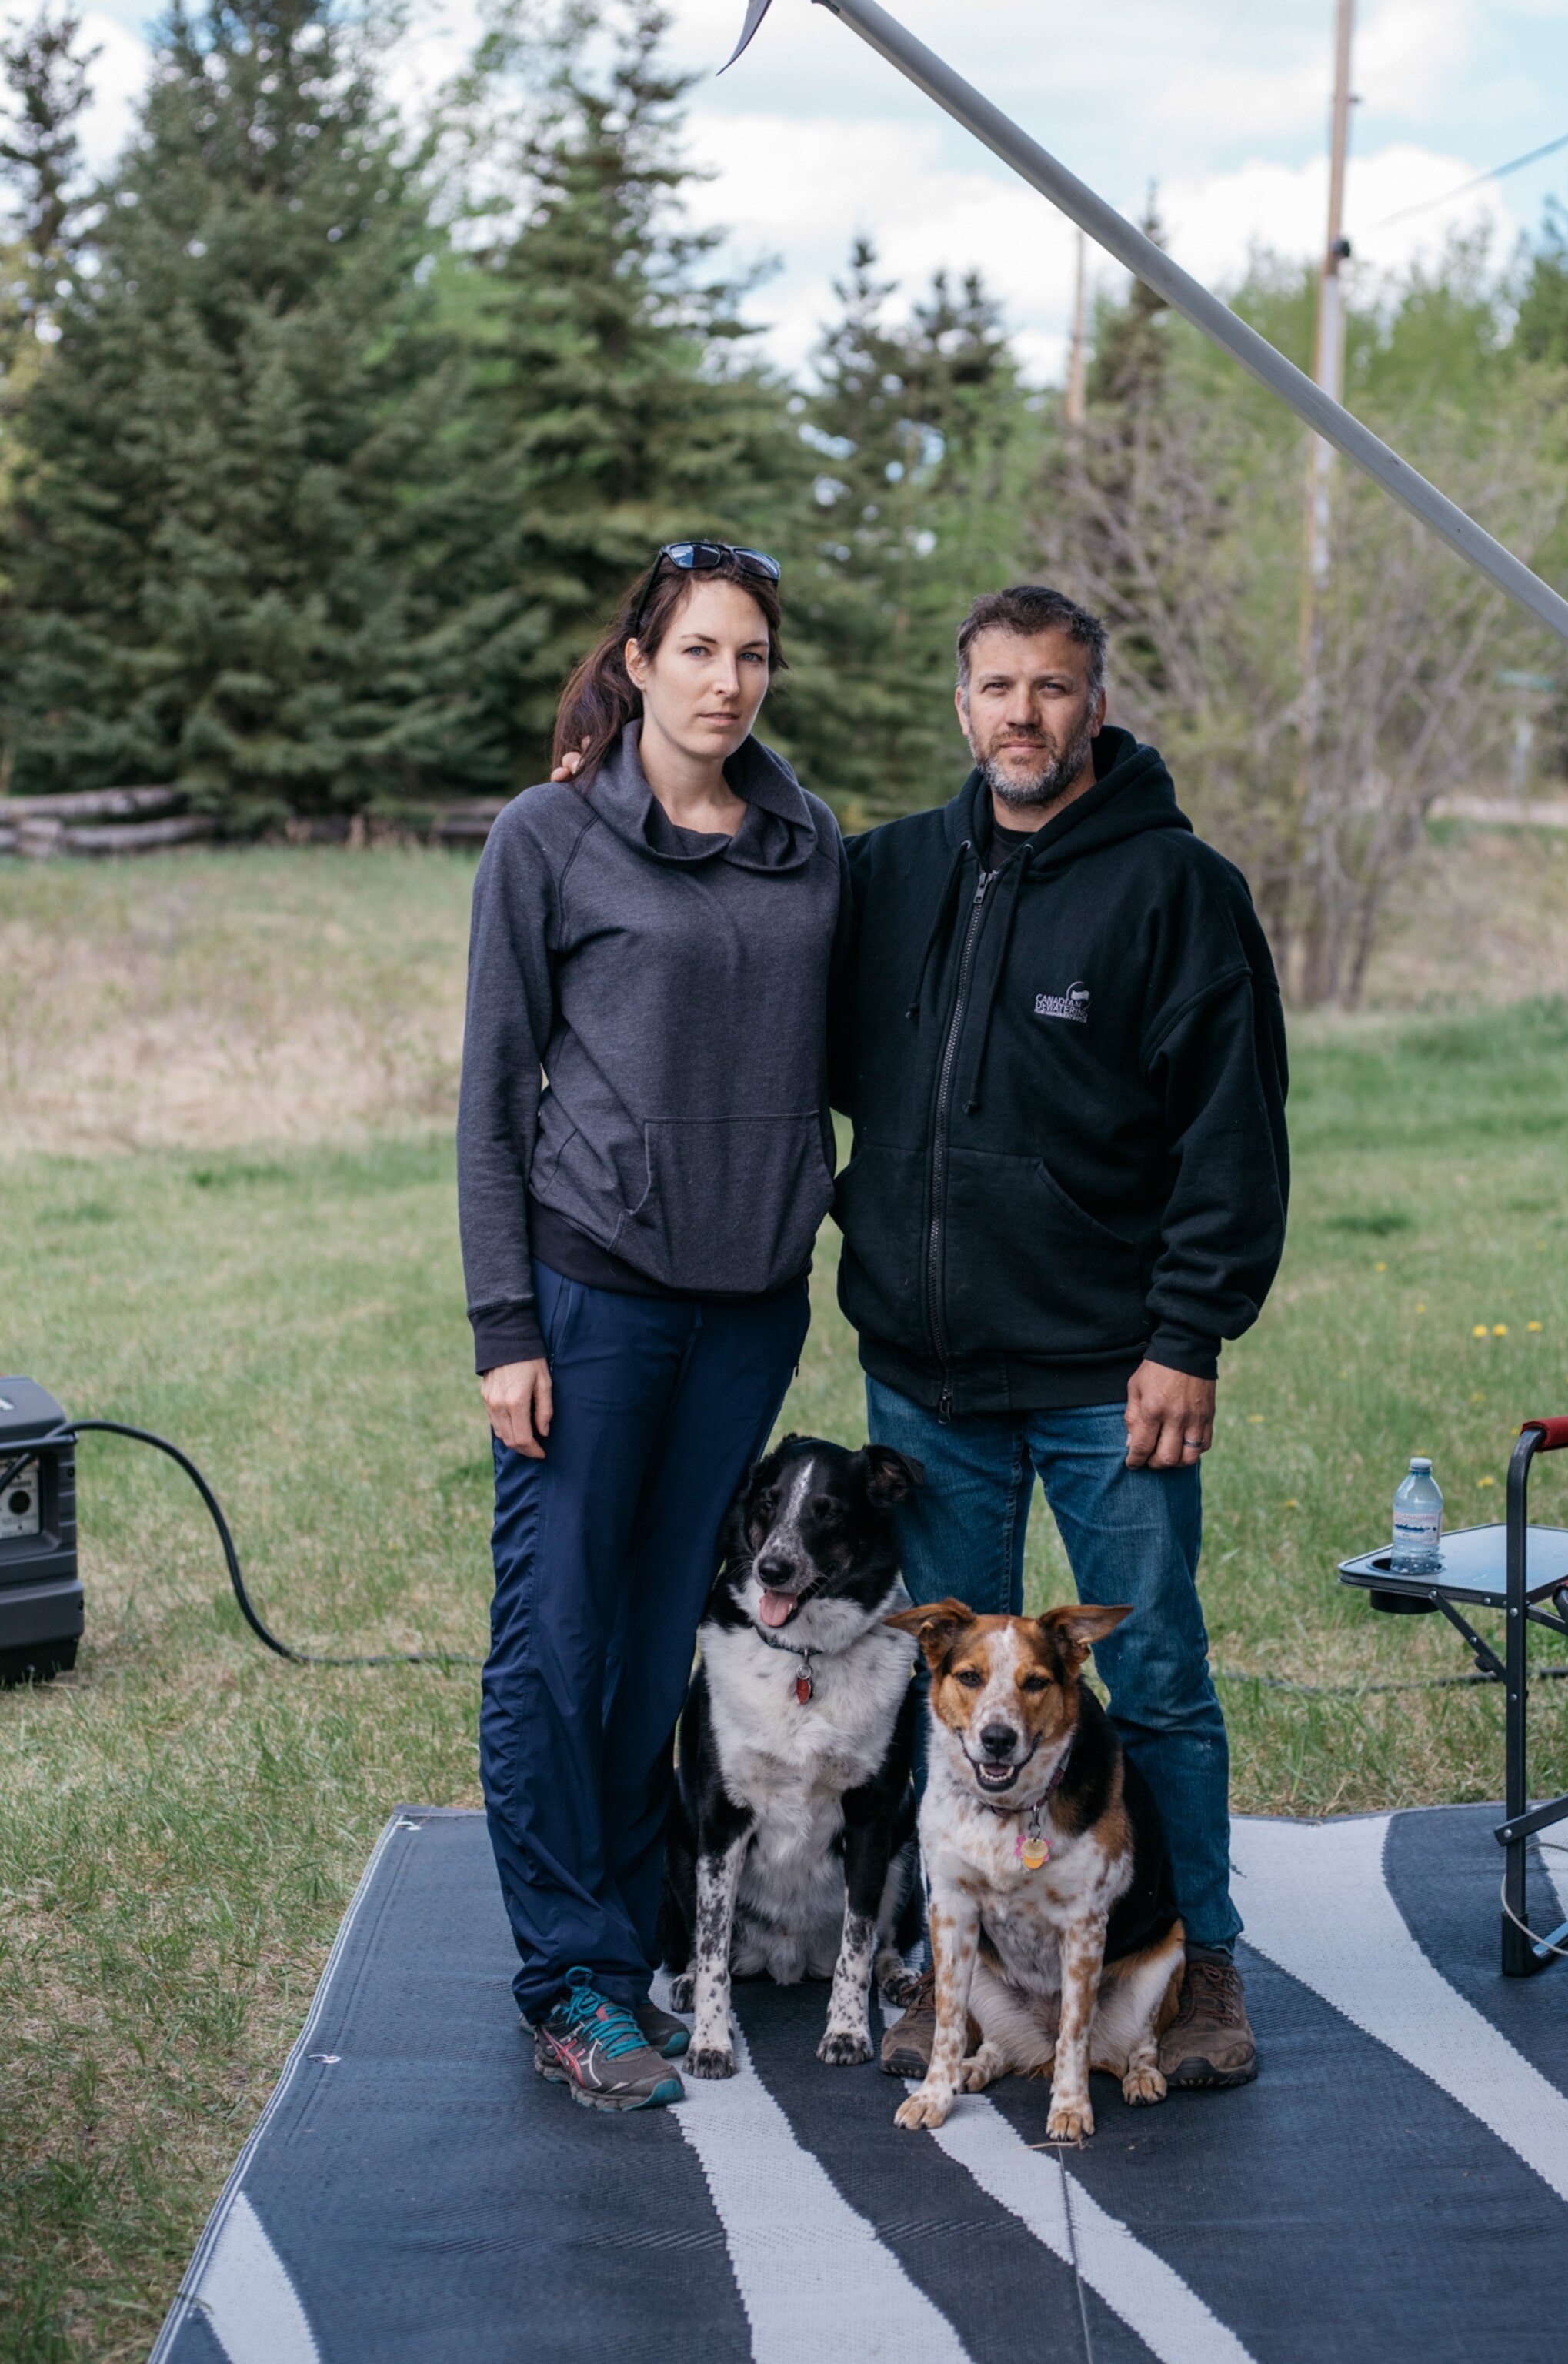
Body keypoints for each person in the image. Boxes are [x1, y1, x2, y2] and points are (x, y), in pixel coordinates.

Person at [834, 584, 1289, 2089]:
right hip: (928, 1376)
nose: (1019, 715)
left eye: (1049, 687)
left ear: (1095, 703)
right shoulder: (892, 873)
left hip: (1112, 1375)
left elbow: (1231, 1136)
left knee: (1154, 1685)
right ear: (958, 703)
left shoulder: (1177, 890)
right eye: (994, 687)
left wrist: (1189, 1333)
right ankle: (949, 1966)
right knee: (958, 1696)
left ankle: (1196, 1958)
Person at [457, 542, 846, 2111]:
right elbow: (493, 1098)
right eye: (696, 650)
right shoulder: (546, 837)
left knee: (653, 1649)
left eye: (750, 654)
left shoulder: (807, 845)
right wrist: (506, 1325)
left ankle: (624, 1953)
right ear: (637, 662)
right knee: (557, 1639)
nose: (725, 682)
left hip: (747, 1310)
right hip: (590, 1296)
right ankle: (569, 1982)